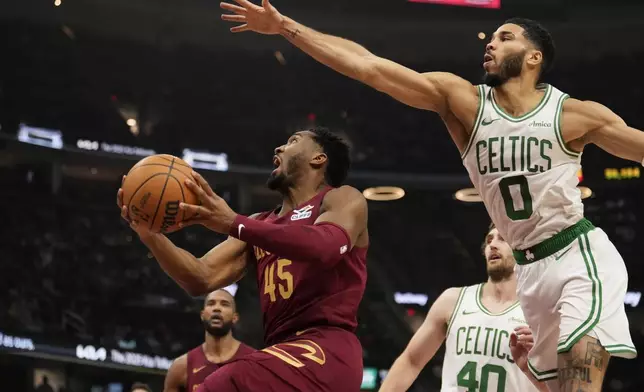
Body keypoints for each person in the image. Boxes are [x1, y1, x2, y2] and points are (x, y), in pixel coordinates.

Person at [219, 2, 639, 391]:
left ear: (534, 58)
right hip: (530, 272)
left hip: (576, 254)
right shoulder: (463, 102)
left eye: (505, 36)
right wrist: (285, 27)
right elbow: (369, 67)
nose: (491, 42)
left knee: (580, 379)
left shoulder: (575, 115)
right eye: (491, 37)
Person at [117, 127, 369, 391]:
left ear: (318, 158)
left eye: (293, 141)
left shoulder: (342, 198)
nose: (279, 148)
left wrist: (233, 222)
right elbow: (200, 277)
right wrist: (149, 234)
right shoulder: (259, 224)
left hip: (326, 351)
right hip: (281, 350)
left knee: (226, 382)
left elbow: (324, 247)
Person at [380, 225, 544, 392]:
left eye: (502, 239)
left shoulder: (540, 313)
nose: (493, 245)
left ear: (522, 248)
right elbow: (411, 361)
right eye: (489, 240)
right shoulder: (453, 300)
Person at [163, 289, 255, 392]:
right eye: (211, 304)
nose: (217, 308)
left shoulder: (254, 362)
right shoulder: (182, 366)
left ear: (235, 318)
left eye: (224, 304)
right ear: (202, 315)